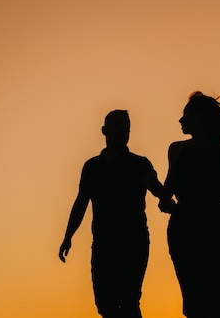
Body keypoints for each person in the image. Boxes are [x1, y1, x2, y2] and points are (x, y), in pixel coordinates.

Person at [59, 110, 164, 318]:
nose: (122, 130)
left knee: (129, 302)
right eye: (116, 125)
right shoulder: (92, 167)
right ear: (104, 130)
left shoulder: (139, 163)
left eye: (126, 126)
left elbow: (156, 188)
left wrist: (168, 198)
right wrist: (68, 236)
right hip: (103, 243)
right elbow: (81, 202)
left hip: (133, 242)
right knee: (105, 305)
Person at [159, 91, 220, 318]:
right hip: (185, 232)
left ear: (199, 119)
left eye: (185, 115)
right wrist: (167, 203)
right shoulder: (177, 149)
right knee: (194, 301)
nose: (180, 120)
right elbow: (167, 194)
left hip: (217, 231)